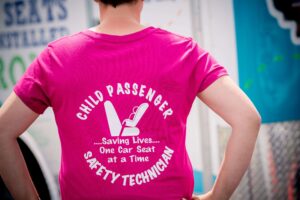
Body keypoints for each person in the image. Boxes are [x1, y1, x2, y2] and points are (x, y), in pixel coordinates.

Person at [0, 0, 261, 199]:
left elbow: (2, 130)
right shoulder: (182, 52)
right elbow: (248, 119)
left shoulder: (57, 58)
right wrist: (217, 196)